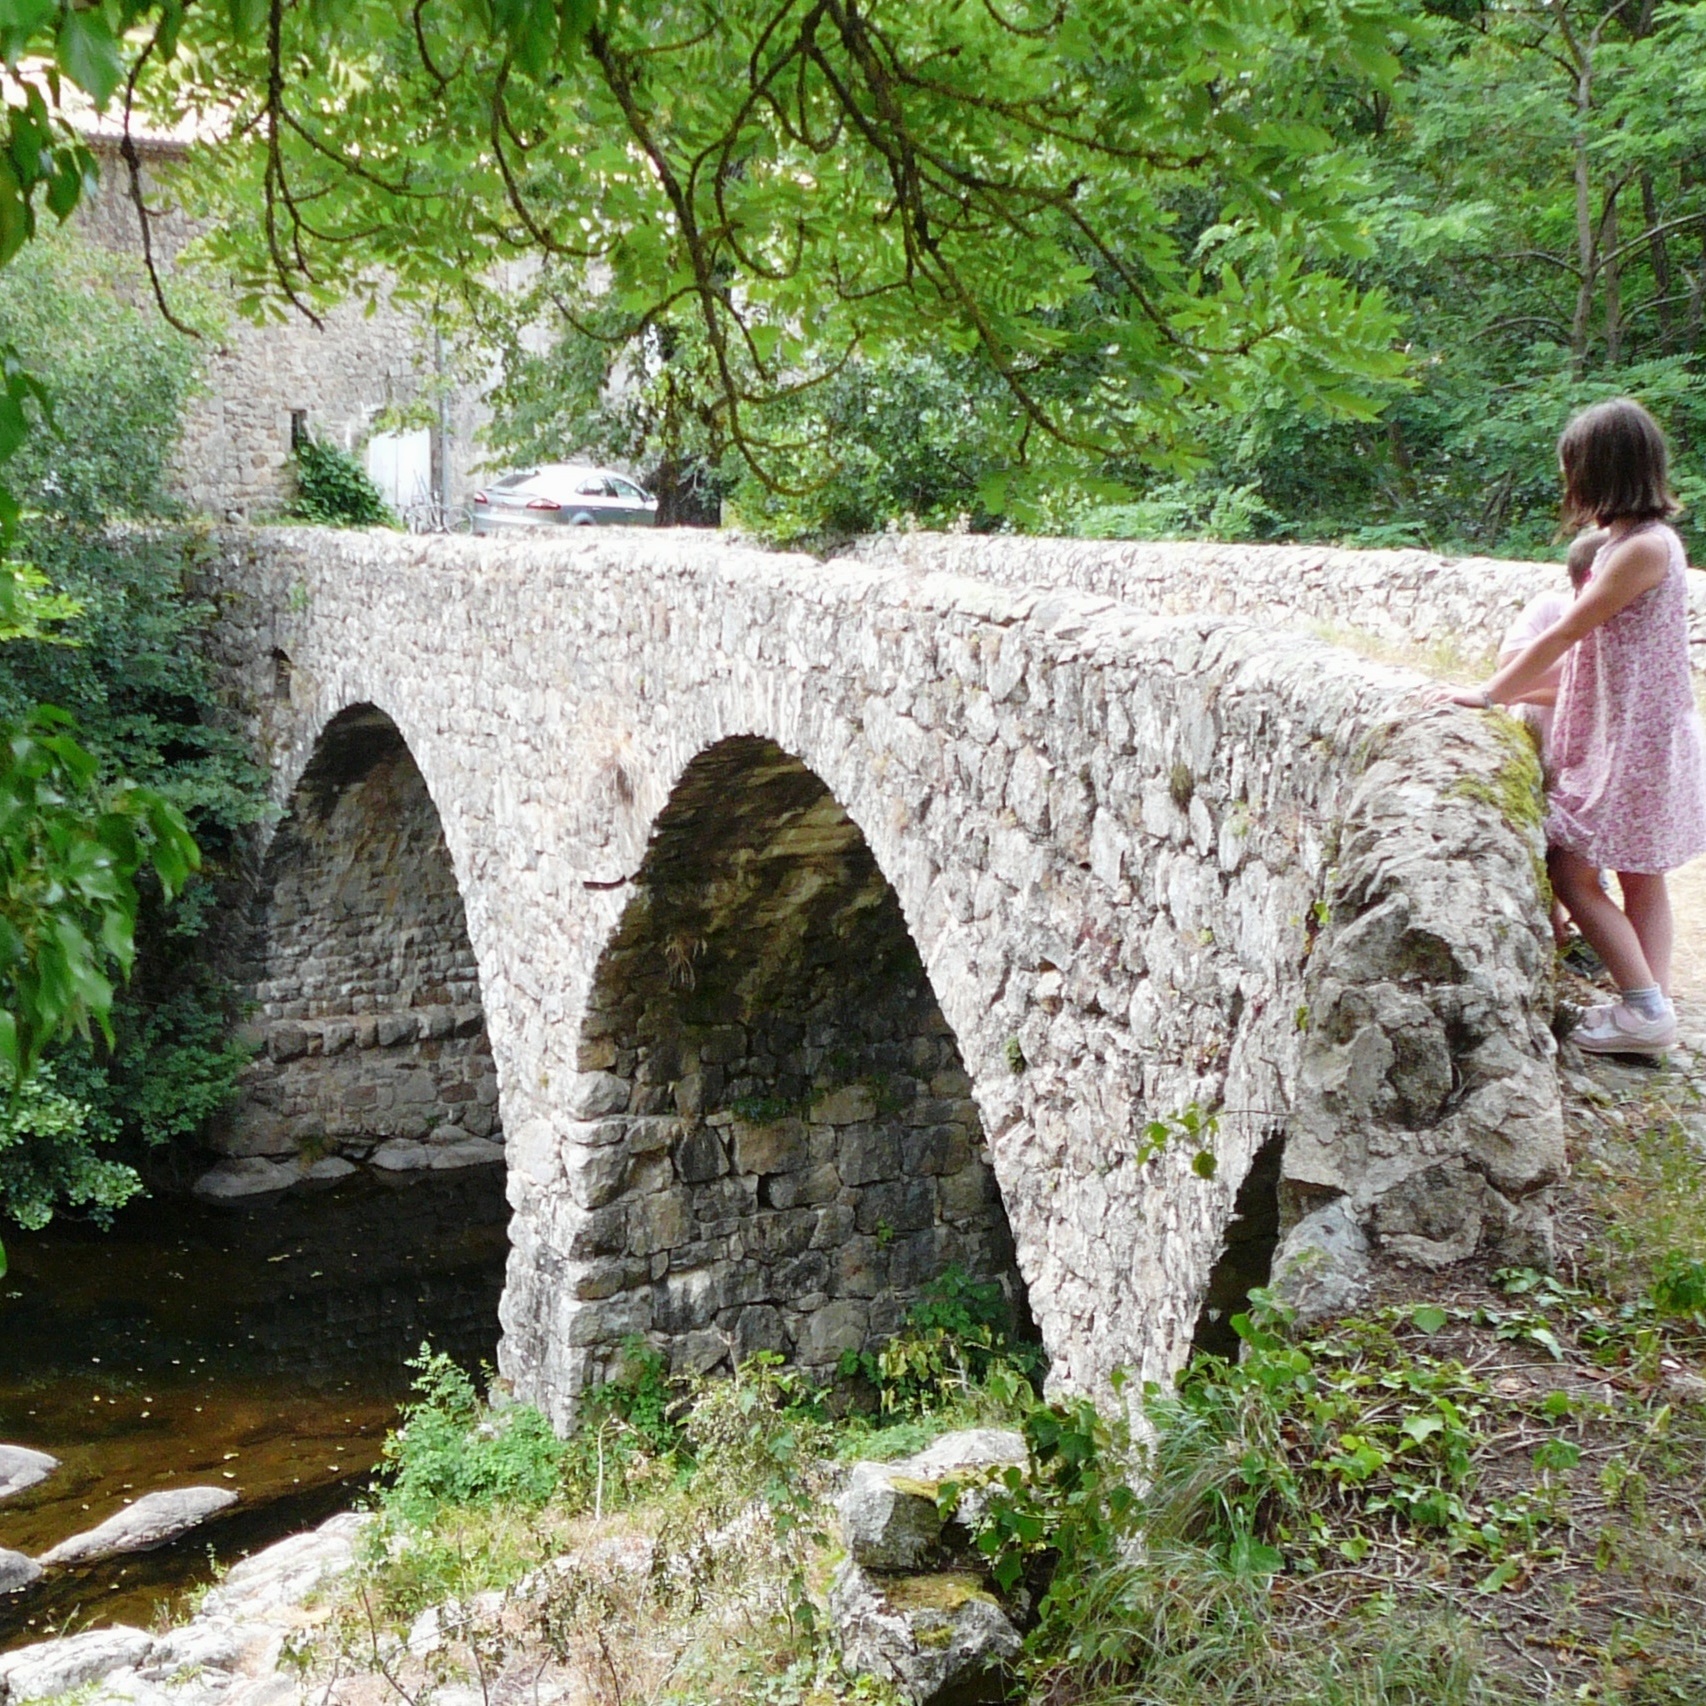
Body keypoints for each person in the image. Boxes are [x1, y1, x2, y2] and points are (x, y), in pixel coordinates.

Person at [1430, 398, 1706, 1054]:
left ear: (1599, 471)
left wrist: (1490, 694)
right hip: (1639, 731)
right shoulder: (1630, 545)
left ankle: (1644, 1008)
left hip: (1636, 740)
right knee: (1641, 874)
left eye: (1573, 468)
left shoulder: (1642, 550)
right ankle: (1648, 1005)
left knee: (1570, 870)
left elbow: (1568, 632)